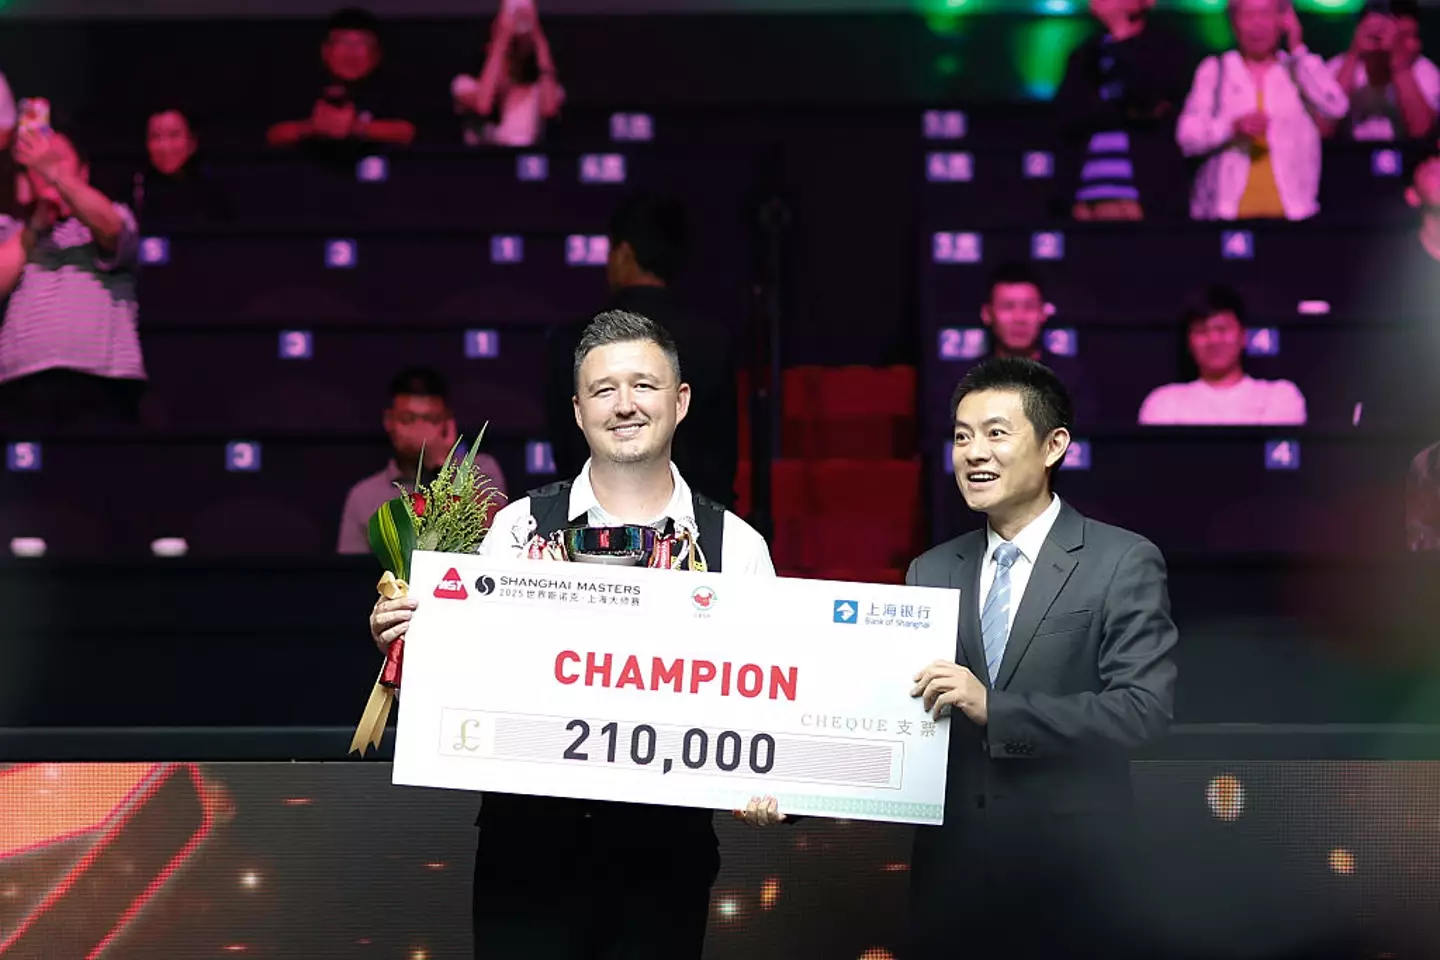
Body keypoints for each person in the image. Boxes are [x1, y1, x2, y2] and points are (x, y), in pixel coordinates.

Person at [368, 311, 780, 960]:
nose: (624, 405)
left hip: (665, 861)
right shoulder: (515, 529)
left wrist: (774, 778)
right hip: (526, 855)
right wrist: (407, 640)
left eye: (643, 385)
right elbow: (466, 679)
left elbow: (769, 703)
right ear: (579, 411)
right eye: (602, 390)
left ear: (681, 401)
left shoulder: (737, 548)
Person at [907, 356, 1178, 960]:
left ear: (1054, 445)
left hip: (1073, 881)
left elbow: (1142, 712)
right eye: (961, 435)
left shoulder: (1121, 561)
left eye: (996, 433)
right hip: (953, 887)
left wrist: (995, 709)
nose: (974, 452)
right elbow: (901, 716)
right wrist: (798, 790)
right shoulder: (929, 569)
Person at [545, 194, 740, 509]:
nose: (625, 406)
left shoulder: (569, 341)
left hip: (586, 536)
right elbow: (723, 456)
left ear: (623, 253)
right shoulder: (714, 340)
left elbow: (567, 453)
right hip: (701, 530)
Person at [0, 128, 145, 429]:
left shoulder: (116, 214)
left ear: (84, 172)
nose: (46, 168)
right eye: (38, 164)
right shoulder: (11, 230)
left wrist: (55, 175)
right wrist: (33, 230)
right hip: (20, 386)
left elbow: (111, 230)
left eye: (56, 160)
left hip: (103, 383)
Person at [1176, 0, 1348, 220]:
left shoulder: (1298, 70)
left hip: (1293, 214)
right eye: (1248, 16)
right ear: (1233, 21)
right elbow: (1187, 137)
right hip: (1227, 216)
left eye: (1266, 14)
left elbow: (1337, 107)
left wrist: (1298, 48)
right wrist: (1231, 128)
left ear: (1283, 19)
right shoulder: (1216, 70)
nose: (1257, 25)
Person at [337, 367, 507, 554]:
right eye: (408, 419)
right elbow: (350, 576)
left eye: (430, 420)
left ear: (447, 422)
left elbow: (500, 536)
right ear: (389, 420)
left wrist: (443, 464)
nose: (420, 431)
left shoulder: (480, 469)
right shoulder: (364, 495)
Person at [1054, 0, 1190, 221]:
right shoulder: (1085, 55)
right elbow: (1071, 117)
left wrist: (1122, 35)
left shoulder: (1167, 48)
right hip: (1085, 200)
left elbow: (1148, 99)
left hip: (1142, 200)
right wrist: (1125, 113)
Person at [953, 263, 1098, 426]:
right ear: (987, 314)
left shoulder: (1071, 378)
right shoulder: (965, 379)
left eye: (1029, 307)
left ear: (1043, 313)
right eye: (1008, 307)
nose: (1019, 318)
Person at [1138, 285, 1306, 425]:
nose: (1213, 340)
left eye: (1222, 329)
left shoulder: (1278, 396)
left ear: (1243, 336)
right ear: (1189, 342)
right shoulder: (1164, 402)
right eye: (1201, 331)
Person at [266, 6, 415, 156]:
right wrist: (311, 127)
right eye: (342, 42)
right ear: (325, 51)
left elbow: (407, 131)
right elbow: (274, 133)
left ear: (377, 55)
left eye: (362, 43)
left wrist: (356, 127)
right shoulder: (298, 85)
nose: (351, 53)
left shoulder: (393, 87)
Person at [452, 0, 565, 147]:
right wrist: (502, 37)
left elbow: (550, 109)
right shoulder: (464, 83)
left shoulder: (536, 91)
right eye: (507, 53)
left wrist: (538, 38)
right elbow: (483, 105)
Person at [1325, 0, 1437, 142]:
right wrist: (1354, 54)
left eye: (1408, 36)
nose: (1414, 45)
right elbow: (1323, 128)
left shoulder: (1423, 70)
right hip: (1348, 160)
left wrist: (1399, 65)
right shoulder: (1338, 67)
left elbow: (1422, 131)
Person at [133, 108, 232, 226]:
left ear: (193, 143)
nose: (165, 146)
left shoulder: (215, 196)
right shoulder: (135, 191)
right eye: (155, 136)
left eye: (174, 135)